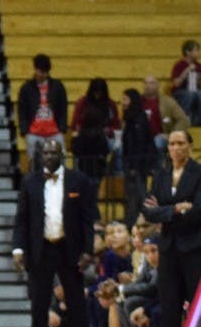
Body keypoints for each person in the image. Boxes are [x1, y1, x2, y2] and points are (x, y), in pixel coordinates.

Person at [12, 140, 97, 327]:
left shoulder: (79, 180)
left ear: (63, 154)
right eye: (45, 152)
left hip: (70, 249)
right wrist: (18, 249)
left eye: (53, 152)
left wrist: (88, 251)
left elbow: (88, 219)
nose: (49, 156)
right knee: (39, 305)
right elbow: (22, 219)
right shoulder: (30, 182)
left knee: (77, 304)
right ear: (41, 156)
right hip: (41, 249)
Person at [139, 130, 201, 327]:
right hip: (168, 249)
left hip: (194, 248)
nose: (176, 148)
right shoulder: (161, 175)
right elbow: (148, 212)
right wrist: (176, 209)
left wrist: (165, 212)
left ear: (190, 146)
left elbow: (198, 211)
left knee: (196, 311)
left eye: (180, 143)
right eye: (172, 144)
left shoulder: (199, 173)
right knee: (168, 311)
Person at [16, 53, 68, 170]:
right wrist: (25, 130)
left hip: (54, 131)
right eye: (40, 71)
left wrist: (62, 128)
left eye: (45, 72)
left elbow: (63, 107)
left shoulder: (58, 87)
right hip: (34, 132)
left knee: (62, 159)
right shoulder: (26, 88)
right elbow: (22, 110)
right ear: (35, 69)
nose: (42, 74)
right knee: (34, 163)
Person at [70, 78, 119, 185]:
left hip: (103, 139)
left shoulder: (110, 105)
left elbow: (116, 125)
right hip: (85, 138)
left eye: (100, 93)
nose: (97, 95)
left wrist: (107, 131)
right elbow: (75, 124)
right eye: (95, 92)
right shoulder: (82, 103)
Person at [121, 88, 157, 226]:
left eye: (125, 99)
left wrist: (133, 166)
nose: (123, 102)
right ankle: (133, 224)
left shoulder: (138, 119)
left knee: (138, 197)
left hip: (137, 166)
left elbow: (140, 145)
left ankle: (140, 224)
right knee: (133, 197)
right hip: (133, 165)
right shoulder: (131, 118)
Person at [141, 74, 189, 158]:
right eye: (145, 83)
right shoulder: (138, 102)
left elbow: (183, 120)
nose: (148, 86)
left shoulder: (168, 102)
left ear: (157, 85)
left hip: (161, 137)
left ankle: (159, 168)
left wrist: (172, 135)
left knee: (157, 143)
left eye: (151, 83)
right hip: (141, 137)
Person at [170, 40, 201, 127]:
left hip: (195, 91)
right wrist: (186, 72)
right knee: (190, 94)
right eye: (196, 50)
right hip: (180, 92)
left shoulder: (198, 66)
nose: (199, 53)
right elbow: (176, 84)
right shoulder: (179, 65)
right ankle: (183, 119)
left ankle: (198, 121)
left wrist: (198, 80)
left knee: (199, 94)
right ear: (188, 52)